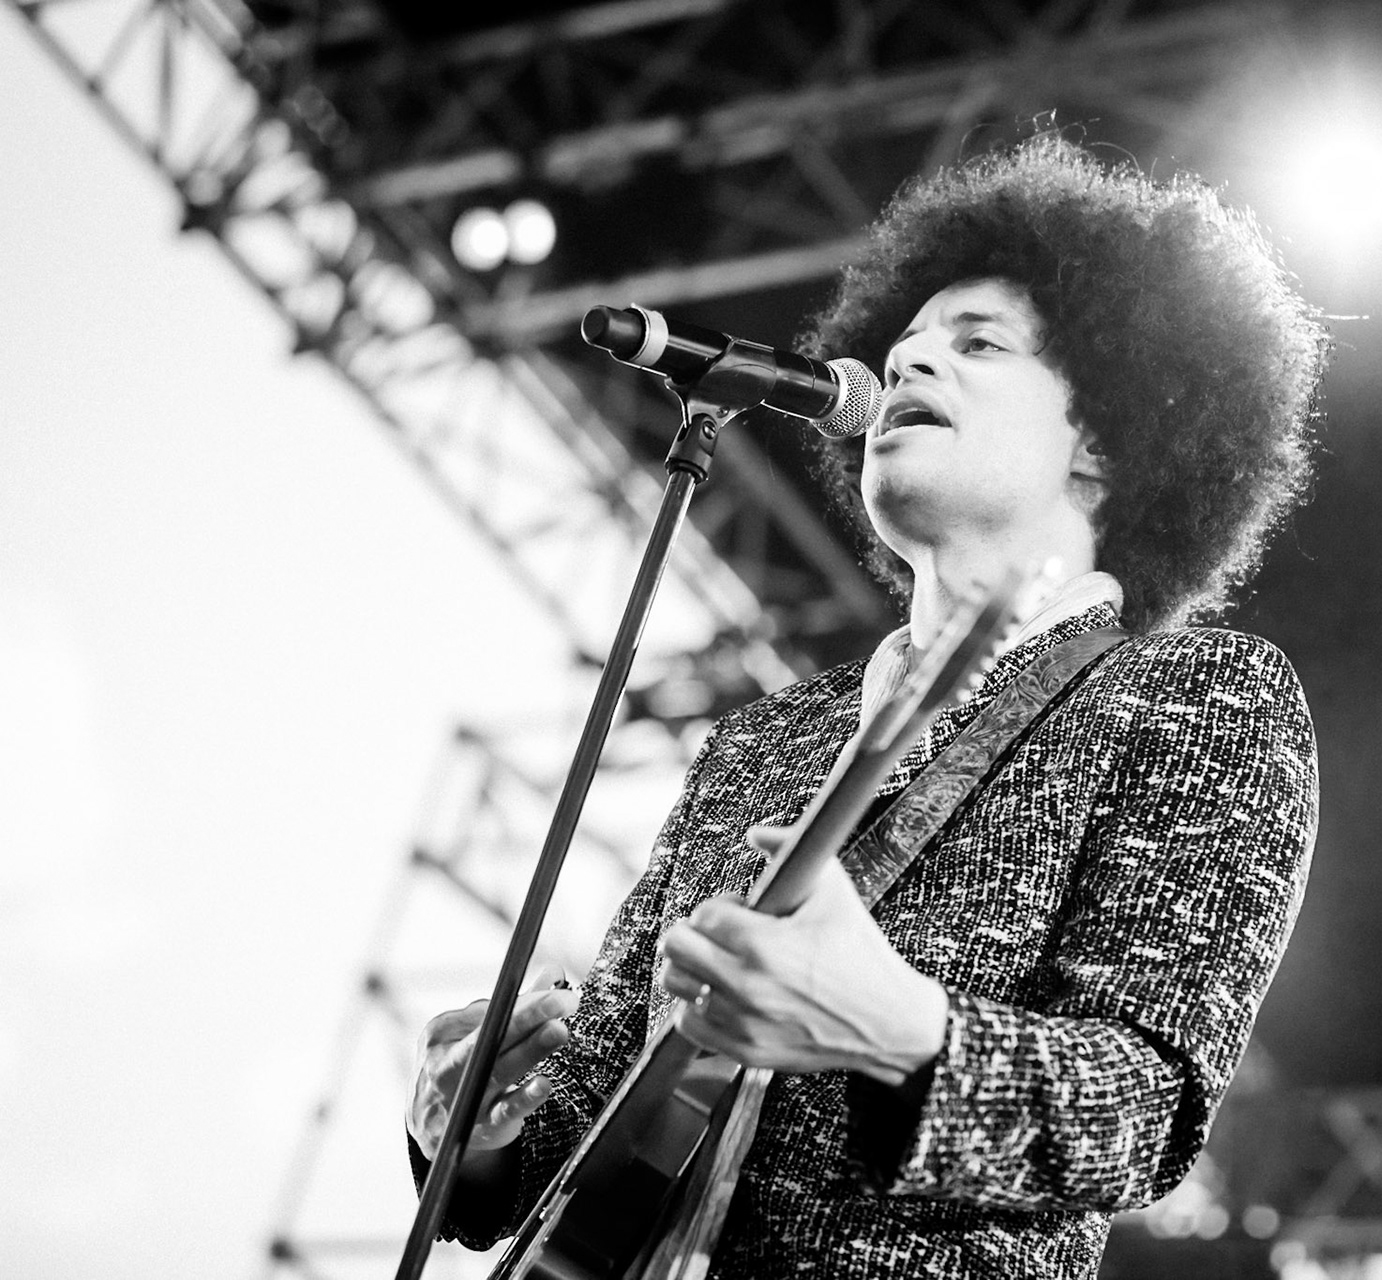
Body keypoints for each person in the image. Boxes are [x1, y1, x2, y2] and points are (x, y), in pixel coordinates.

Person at [406, 133, 1328, 1277]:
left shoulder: (1200, 695)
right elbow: (594, 1117)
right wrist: (473, 1130)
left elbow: (1145, 1109)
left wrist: (900, 1028)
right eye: (898, 350)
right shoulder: (761, 736)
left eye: (975, 342)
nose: (908, 368)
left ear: (1101, 435)